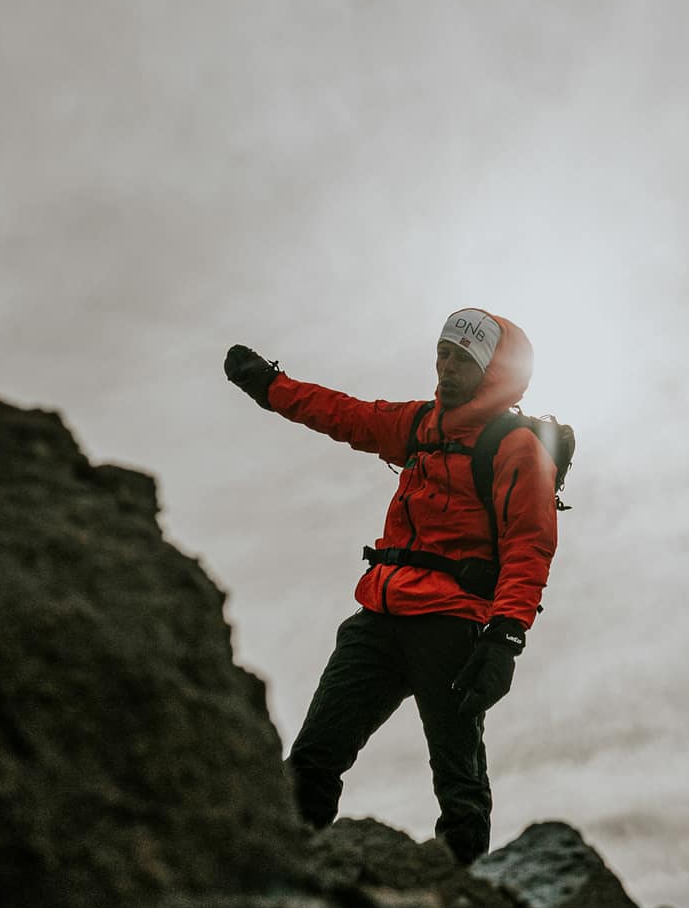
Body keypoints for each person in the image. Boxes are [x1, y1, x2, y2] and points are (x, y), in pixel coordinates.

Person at [222, 309, 558, 863]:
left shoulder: (515, 446)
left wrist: (505, 638)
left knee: (459, 778)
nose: (447, 369)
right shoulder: (419, 425)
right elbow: (344, 414)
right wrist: (271, 387)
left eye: (464, 360)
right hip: (378, 619)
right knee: (314, 756)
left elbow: (530, 545)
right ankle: (287, 870)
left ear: (493, 372)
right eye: (442, 355)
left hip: (452, 627)